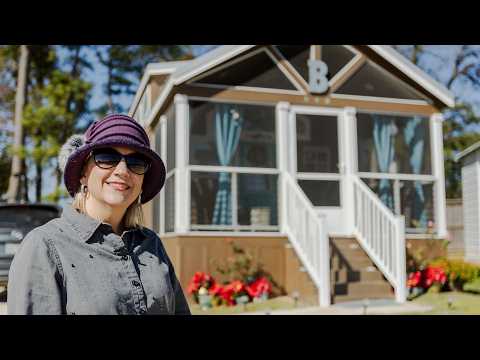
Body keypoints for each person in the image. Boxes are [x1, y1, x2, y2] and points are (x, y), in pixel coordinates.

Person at [7, 114, 191, 315]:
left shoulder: (152, 243)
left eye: (136, 162)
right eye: (107, 157)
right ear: (83, 173)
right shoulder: (44, 246)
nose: (122, 170)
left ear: (142, 180)